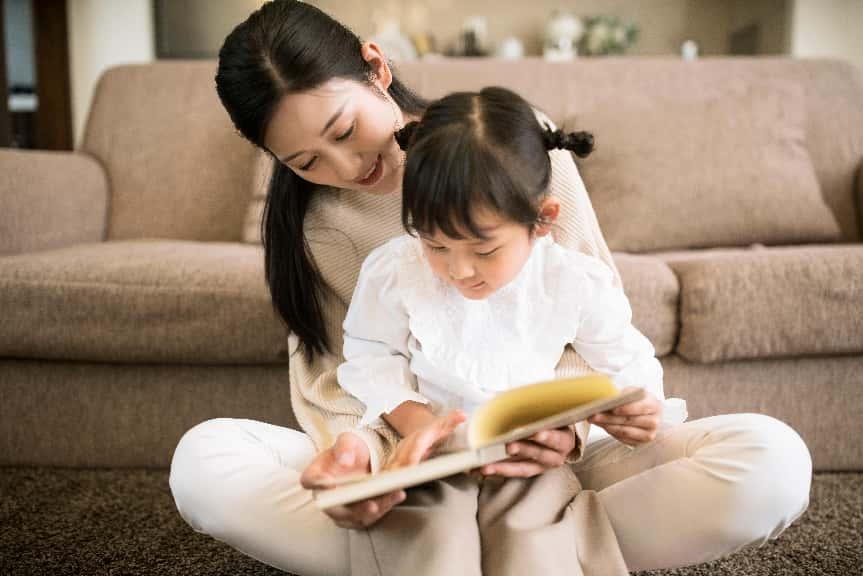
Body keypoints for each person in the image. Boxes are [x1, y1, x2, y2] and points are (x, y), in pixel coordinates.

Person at [169, 2, 812, 575]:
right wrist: (362, 462)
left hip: (550, 457)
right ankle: (489, 544)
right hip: (410, 467)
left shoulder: (511, 139)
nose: (346, 168)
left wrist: (569, 428)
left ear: (376, 67)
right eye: (305, 162)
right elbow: (345, 368)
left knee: (773, 463)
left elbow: (586, 317)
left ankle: (474, 547)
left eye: (342, 131)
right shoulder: (321, 224)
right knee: (204, 463)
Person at [333, 86, 686, 575]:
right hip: (432, 461)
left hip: (530, 460)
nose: (458, 271)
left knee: (537, 543)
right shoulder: (394, 272)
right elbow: (369, 356)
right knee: (431, 541)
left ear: (543, 218)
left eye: (483, 251)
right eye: (435, 244)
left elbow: (628, 364)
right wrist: (419, 427)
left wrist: (640, 407)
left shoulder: (574, 281)